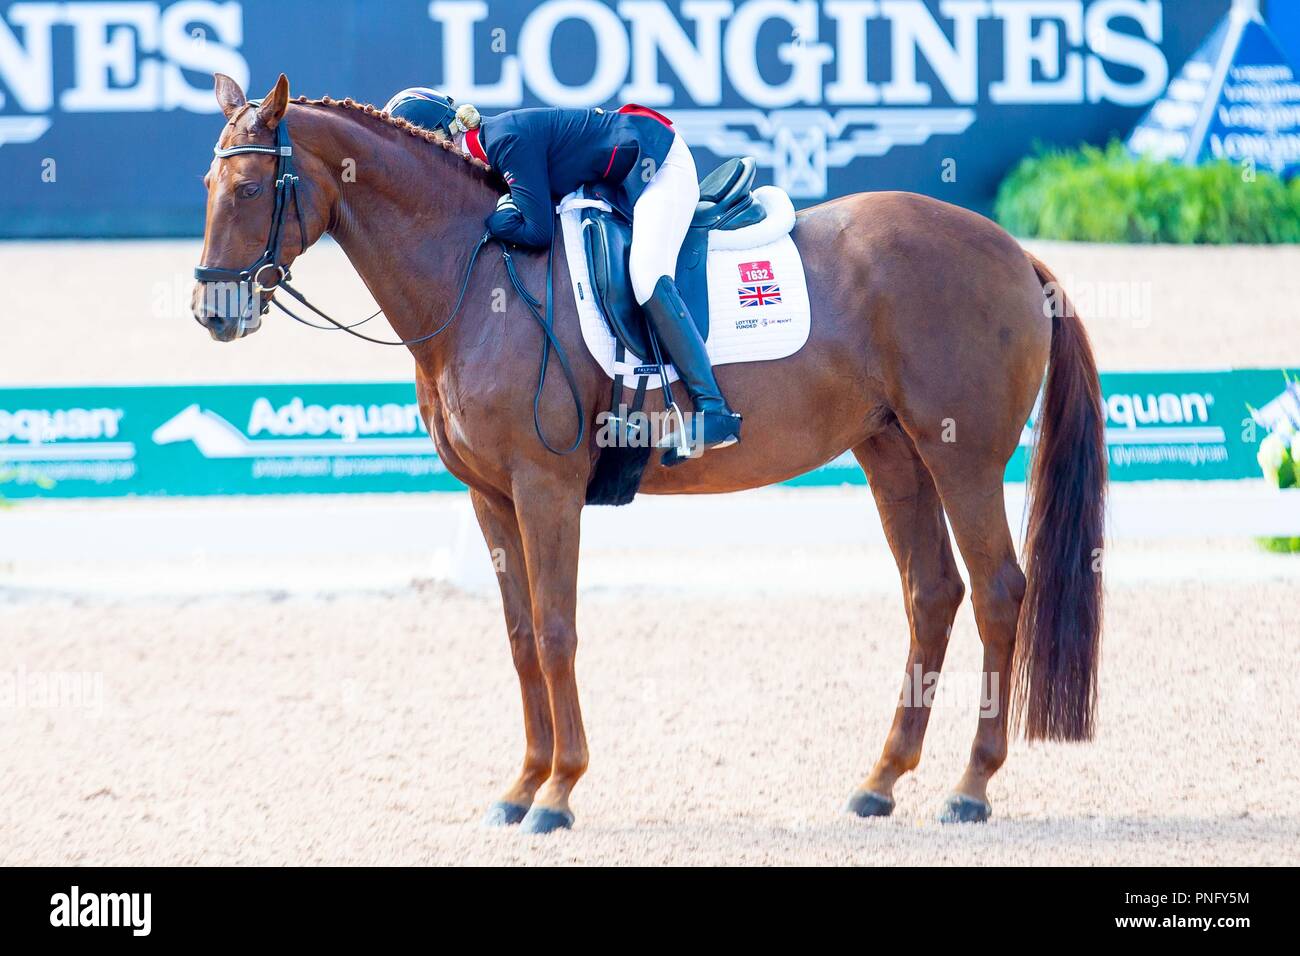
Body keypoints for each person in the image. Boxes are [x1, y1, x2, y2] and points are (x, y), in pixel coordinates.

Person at [382, 87, 742, 455]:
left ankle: (714, 410)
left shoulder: (505, 142)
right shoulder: (494, 143)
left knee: (647, 274)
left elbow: (537, 232)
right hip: (622, 170)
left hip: (658, 162)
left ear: (441, 140)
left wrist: (489, 220)